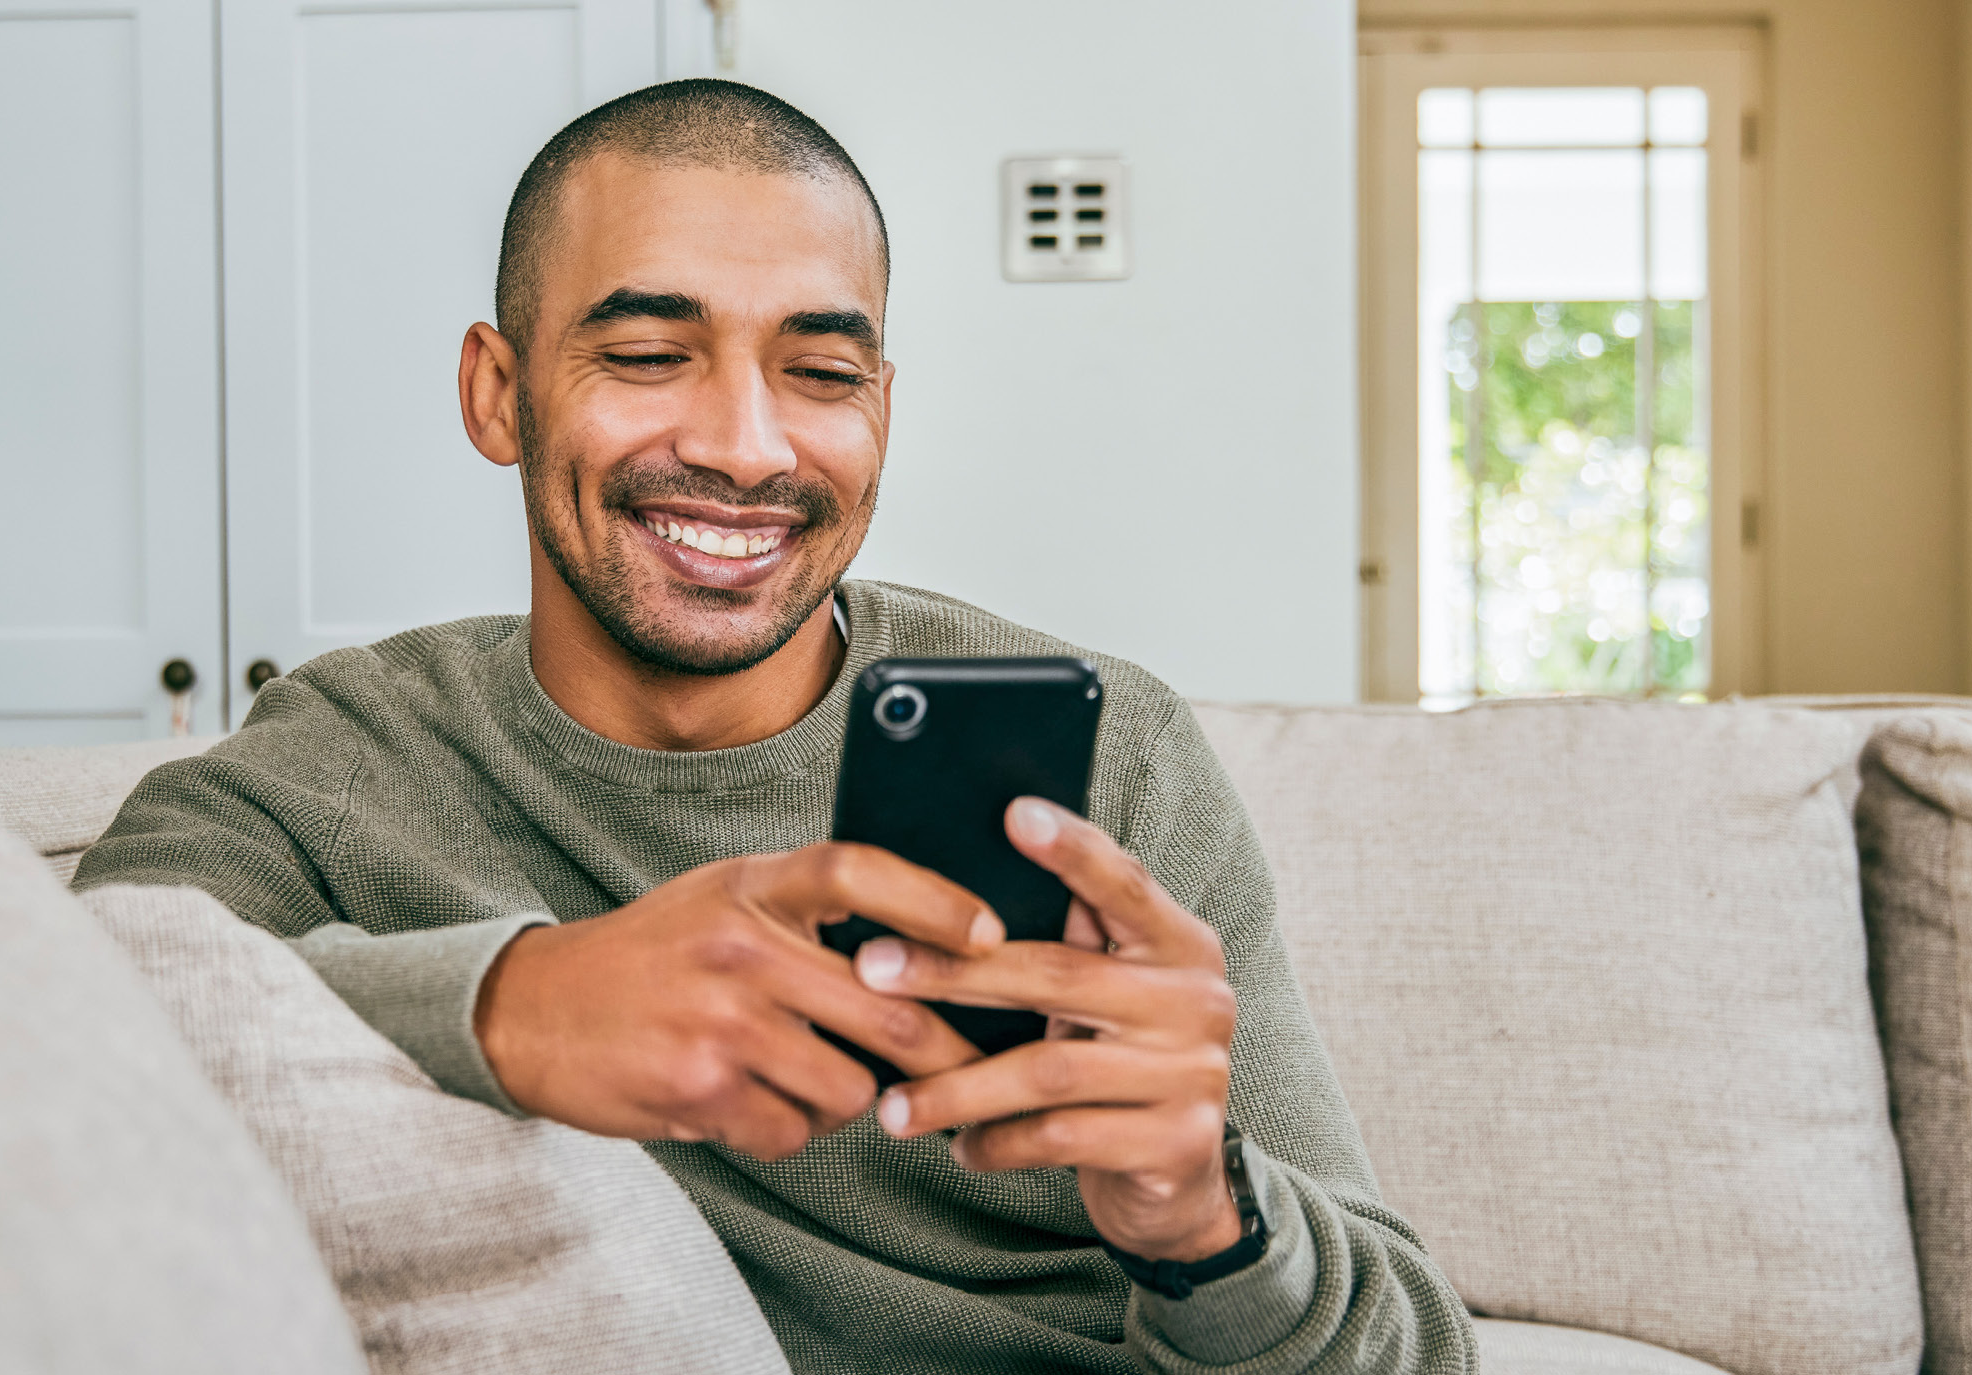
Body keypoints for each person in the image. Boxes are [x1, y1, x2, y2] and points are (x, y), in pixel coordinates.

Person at [76, 78, 1475, 1374]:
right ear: (497, 394)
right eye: (644, 353)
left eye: (821, 374)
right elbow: (52, 1027)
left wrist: (1204, 1219)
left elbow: (1418, 1349)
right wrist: (514, 1007)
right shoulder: (347, 762)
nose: (748, 448)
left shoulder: (1117, 760)